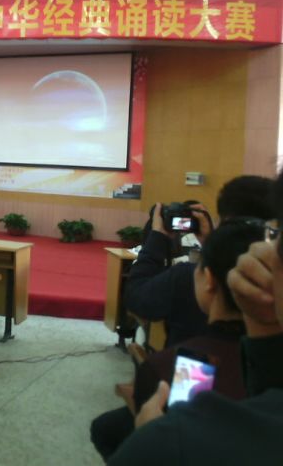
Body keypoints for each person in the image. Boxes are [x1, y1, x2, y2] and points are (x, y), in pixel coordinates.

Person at [108, 173, 283, 465]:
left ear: (209, 279)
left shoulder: (190, 372)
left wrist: (158, 239)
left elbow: (137, 298)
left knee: (106, 429)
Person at [91, 220, 263, 460]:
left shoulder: (189, 367)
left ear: (208, 279)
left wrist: (148, 437)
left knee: (105, 429)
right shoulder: (266, 358)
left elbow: (179, 439)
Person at [124, 176, 274, 348]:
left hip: (190, 362)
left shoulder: (188, 277)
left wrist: (158, 238)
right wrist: (212, 244)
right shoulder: (275, 283)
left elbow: (137, 299)